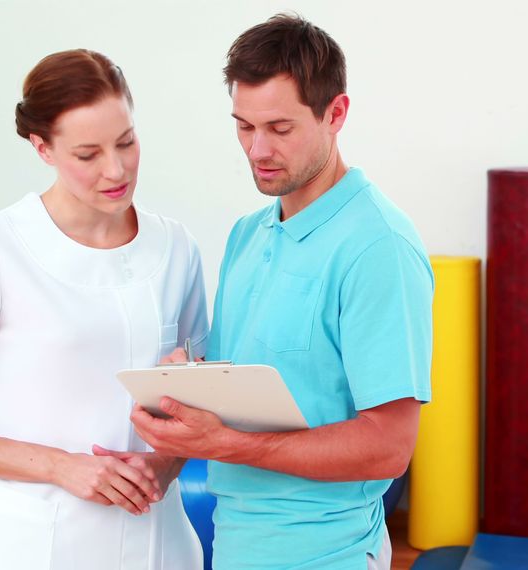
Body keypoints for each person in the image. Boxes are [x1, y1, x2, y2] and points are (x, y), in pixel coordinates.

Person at [130, 13, 434, 570]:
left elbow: (390, 446)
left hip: (328, 552)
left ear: (335, 114)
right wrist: (181, 396)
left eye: (280, 128)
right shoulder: (249, 234)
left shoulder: (378, 248)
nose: (257, 149)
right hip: (237, 543)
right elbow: (247, 387)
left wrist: (228, 445)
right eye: (244, 126)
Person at [0, 49, 206, 570]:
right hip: (29, 545)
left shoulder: (175, 248)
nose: (116, 168)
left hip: (159, 545)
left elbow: (192, 400)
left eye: (126, 142)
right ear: (43, 148)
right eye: (88, 154)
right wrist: (62, 467)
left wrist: (166, 465)